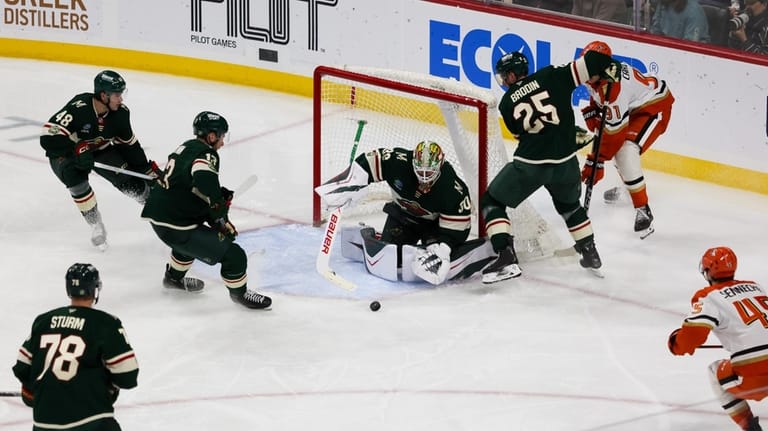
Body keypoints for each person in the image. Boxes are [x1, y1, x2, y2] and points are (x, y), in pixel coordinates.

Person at [478, 49, 621, 283]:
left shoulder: (506, 104)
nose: (503, 80)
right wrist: (610, 67)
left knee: (491, 201)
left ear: (512, 75)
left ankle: (505, 255)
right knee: (570, 206)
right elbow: (594, 58)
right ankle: (590, 252)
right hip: (566, 164)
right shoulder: (552, 75)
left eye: (504, 76)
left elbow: (525, 135)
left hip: (531, 165)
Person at [140, 111, 271, 309]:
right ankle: (240, 295)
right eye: (221, 136)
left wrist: (217, 197)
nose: (222, 142)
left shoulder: (187, 146)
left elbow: (191, 185)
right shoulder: (208, 153)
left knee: (188, 243)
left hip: (160, 218)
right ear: (211, 136)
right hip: (177, 224)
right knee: (234, 255)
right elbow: (204, 181)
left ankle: (173, 279)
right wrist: (220, 215)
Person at [315, 141, 494, 285]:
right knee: (391, 258)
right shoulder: (398, 162)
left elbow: (458, 226)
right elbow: (371, 160)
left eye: (429, 172)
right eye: (420, 171)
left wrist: (445, 247)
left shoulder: (452, 188)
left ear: (440, 165)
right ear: (412, 162)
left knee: (436, 258)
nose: (424, 178)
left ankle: (473, 252)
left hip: (433, 226)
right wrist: (351, 181)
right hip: (402, 217)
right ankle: (369, 235)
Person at [40, 70, 162, 251]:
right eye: (117, 95)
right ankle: (95, 223)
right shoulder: (79, 107)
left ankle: (156, 205)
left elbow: (129, 146)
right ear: (104, 95)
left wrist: (146, 170)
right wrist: (77, 149)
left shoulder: (121, 114)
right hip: (67, 152)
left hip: (100, 151)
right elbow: (48, 136)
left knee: (127, 179)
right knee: (75, 180)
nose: (121, 99)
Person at [12, 263, 139, 431]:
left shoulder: (43, 321)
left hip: (43, 424)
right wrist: (106, 385)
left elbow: (22, 367)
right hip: (90, 420)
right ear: (95, 290)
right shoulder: (105, 323)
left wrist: (38, 392)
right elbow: (127, 376)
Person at [579, 40, 675, 239]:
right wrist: (593, 110)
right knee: (620, 151)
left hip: (653, 107)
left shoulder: (613, 90)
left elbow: (614, 136)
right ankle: (627, 189)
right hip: (632, 108)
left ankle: (643, 209)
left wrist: (596, 161)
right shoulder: (596, 73)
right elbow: (597, 97)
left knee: (625, 150)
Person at [668, 247, 767, 431]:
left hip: (753, 379)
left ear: (707, 271)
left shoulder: (708, 297)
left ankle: (750, 427)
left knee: (715, 371)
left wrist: (675, 343)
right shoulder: (755, 287)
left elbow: (691, 340)